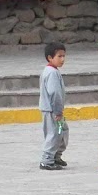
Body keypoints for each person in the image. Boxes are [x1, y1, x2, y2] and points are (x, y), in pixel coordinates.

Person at [38, 40, 68, 171]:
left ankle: (56, 155)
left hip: (53, 110)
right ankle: (47, 160)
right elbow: (55, 93)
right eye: (59, 56)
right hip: (52, 111)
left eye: (64, 56)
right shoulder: (51, 73)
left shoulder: (51, 71)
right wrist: (58, 112)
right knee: (54, 134)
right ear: (50, 58)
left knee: (62, 132)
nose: (62, 59)